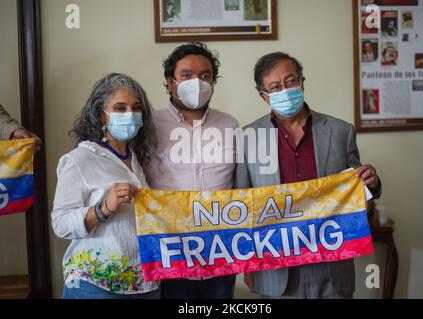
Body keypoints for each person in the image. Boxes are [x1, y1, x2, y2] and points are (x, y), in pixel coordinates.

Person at [234, 52, 382, 299]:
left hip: (331, 265)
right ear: (263, 95)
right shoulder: (246, 138)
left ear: (302, 81)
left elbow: (357, 200)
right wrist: (248, 267)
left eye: (290, 81)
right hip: (277, 270)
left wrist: (372, 186)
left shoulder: (340, 131)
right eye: (275, 87)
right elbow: (242, 208)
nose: (285, 90)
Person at [51, 73, 160, 299]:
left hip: (145, 281)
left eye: (136, 108)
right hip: (96, 282)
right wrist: (104, 207)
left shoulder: (139, 159)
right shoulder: (79, 159)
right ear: (101, 116)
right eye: (120, 108)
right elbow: (60, 224)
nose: (130, 115)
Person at [146, 42, 239, 299]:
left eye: (205, 76)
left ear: (213, 82)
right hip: (169, 249)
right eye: (186, 75)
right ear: (169, 82)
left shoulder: (230, 124)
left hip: (221, 251)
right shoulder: (148, 126)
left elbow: (242, 184)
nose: (197, 82)